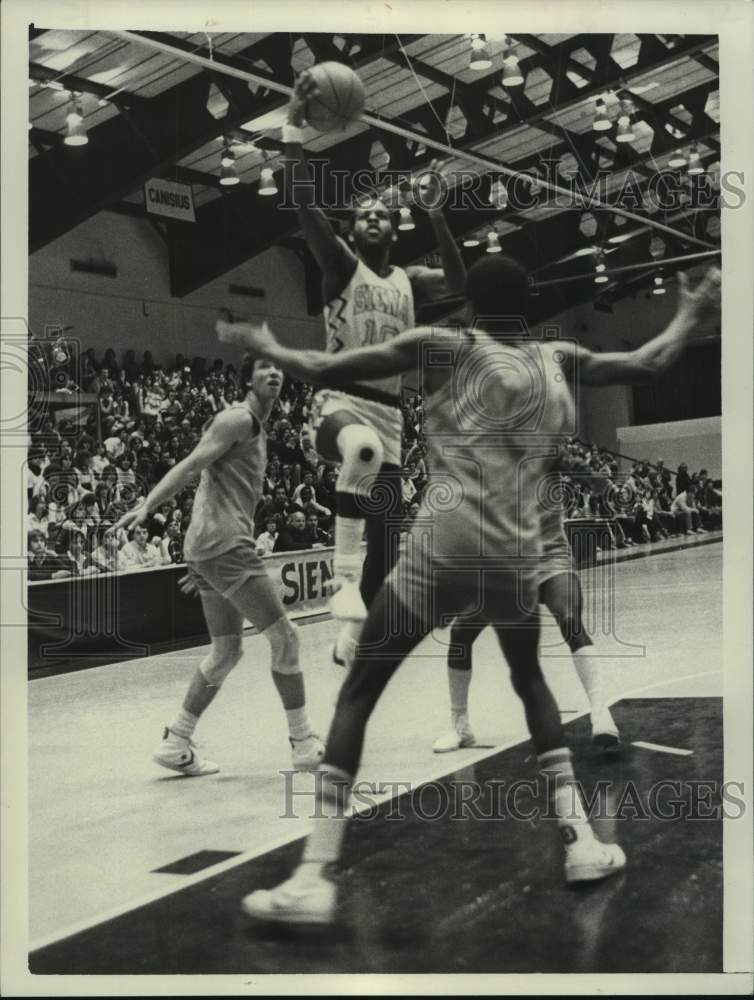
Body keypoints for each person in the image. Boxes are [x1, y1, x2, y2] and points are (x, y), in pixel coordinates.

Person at [222, 258, 720, 924]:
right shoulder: (559, 358)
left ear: (468, 305)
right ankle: (577, 841)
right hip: (513, 555)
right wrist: (690, 314)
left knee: (360, 691)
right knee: (530, 683)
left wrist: (269, 347)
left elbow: (335, 367)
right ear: (531, 305)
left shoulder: (443, 347)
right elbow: (648, 362)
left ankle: (313, 875)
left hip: (442, 545)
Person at [277, 69, 466, 670]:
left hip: (391, 415)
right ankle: (340, 585)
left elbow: (461, 287)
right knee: (356, 452)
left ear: (395, 226)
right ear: (354, 233)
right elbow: (303, 200)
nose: (374, 216)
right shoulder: (339, 267)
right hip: (337, 406)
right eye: (363, 214)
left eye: (384, 211)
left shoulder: (411, 281)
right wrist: (292, 126)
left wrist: (437, 215)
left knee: (388, 549)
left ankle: (349, 638)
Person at [114, 357, 324, 776]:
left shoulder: (258, 429)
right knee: (287, 638)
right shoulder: (237, 419)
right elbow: (193, 465)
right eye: (264, 367)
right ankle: (303, 742)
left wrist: (201, 556)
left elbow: (215, 487)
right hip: (224, 546)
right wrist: (147, 505)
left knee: (226, 650)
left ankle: (176, 741)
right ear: (247, 379)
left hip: (210, 548)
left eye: (279, 368)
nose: (275, 373)